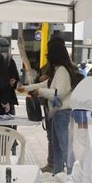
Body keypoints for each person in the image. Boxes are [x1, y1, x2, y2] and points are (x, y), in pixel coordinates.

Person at [20, 39, 80, 174]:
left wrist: (39, 92)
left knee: (64, 147)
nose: (47, 55)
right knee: (57, 147)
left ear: (55, 55)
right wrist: (26, 88)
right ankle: (58, 173)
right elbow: (46, 84)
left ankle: (73, 176)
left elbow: (59, 93)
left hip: (63, 114)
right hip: (57, 114)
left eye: (49, 53)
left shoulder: (63, 71)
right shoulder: (59, 70)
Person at [0, 37, 20, 115]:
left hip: (8, 97)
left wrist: (13, 82)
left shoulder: (10, 62)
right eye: (1, 49)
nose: (3, 52)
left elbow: (16, 78)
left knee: (10, 123)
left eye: (5, 49)